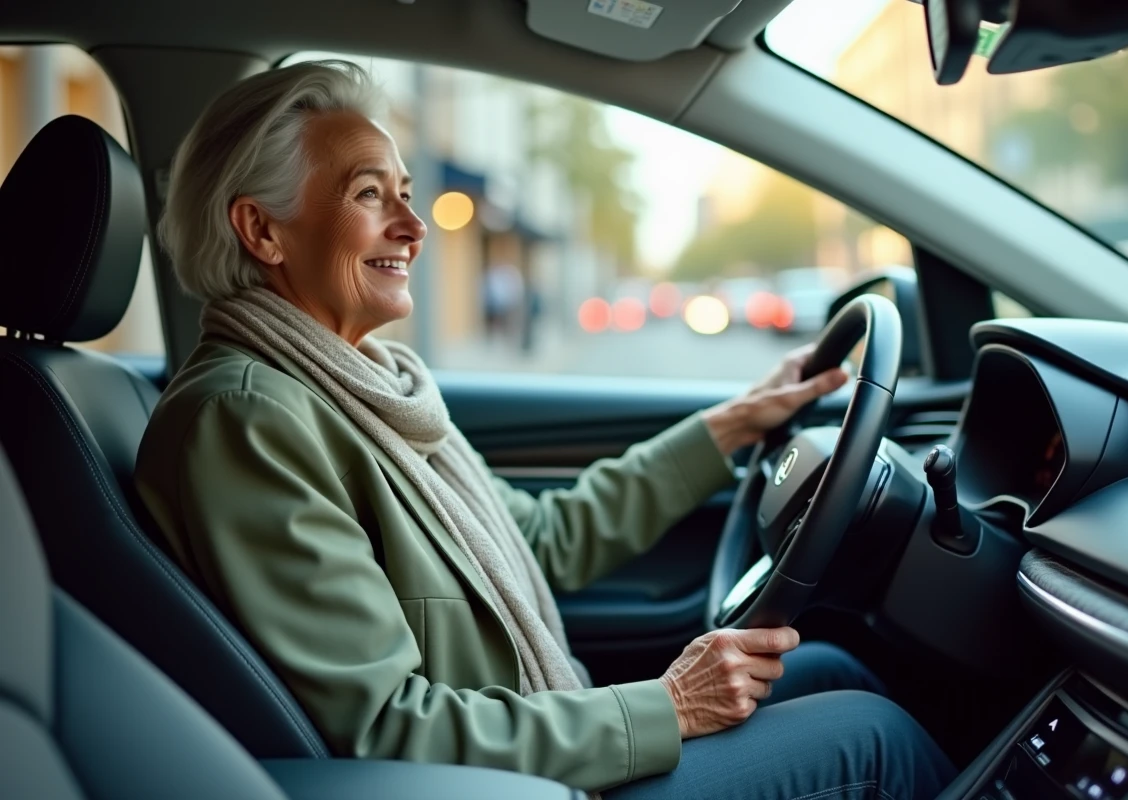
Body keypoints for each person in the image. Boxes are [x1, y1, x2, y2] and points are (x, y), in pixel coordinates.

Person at [135, 60, 955, 799]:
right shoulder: (245, 417)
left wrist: (736, 423)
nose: (414, 228)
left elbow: (543, 539)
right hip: (501, 786)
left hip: (533, 749)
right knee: (872, 742)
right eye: (366, 194)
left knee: (832, 671)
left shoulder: (370, 390)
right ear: (262, 230)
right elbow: (384, 726)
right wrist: (665, 708)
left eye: (406, 193)